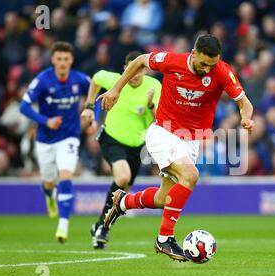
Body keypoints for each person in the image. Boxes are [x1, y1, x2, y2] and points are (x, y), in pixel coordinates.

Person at [97, 34, 255, 261]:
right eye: (203, 63)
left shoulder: (221, 71)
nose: (207, 69)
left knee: (164, 198)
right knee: (190, 175)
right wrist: (116, 90)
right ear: (193, 53)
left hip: (190, 140)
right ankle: (164, 239)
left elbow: (244, 103)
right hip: (163, 131)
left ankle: (122, 202)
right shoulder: (172, 61)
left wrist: (246, 118)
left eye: (211, 64)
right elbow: (140, 60)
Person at [81, 51, 162, 249]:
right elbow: (96, 78)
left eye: (140, 69)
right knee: (123, 177)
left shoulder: (154, 86)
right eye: (131, 69)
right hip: (112, 139)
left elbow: (159, 120)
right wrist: (90, 106)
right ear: (126, 68)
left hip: (136, 146)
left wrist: (151, 104)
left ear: (145, 68)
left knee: (122, 194)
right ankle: (102, 228)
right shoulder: (116, 81)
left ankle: (101, 227)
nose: (135, 74)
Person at [19, 41, 90, 243]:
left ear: (71, 60)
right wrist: (45, 121)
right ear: (52, 60)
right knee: (49, 181)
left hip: (69, 136)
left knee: (66, 175)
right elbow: (23, 107)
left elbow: (98, 92)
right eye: (58, 59)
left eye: (66, 59)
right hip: (45, 140)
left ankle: (63, 225)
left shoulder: (79, 79)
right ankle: (50, 196)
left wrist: (90, 112)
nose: (62, 63)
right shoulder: (42, 79)